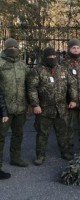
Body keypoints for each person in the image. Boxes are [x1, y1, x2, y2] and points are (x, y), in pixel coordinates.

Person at [27, 47, 77, 165]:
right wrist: (35, 105)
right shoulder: (37, 71)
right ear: (45, 58)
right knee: (42, 134)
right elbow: (31, 88)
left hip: (61, 108)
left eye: (54, 57)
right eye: (50, 57)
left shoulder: (62, 69)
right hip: (44, 109)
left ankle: (65, 153)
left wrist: (73, 99)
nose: (52, 59)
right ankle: (40, 156)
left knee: (63, 132)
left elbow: (72, 85)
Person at [0, 38, 30, 178]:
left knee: (18, 134)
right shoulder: (0, 64)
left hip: (20, 107)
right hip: (4, 109)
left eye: (15, 47)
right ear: (5, 48)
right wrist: (2, 110)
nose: (13, 49)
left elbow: (29, 85)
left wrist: (30, 103)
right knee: (1, 136)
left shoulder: (22, 65)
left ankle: (15, 157)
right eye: (10, 47)